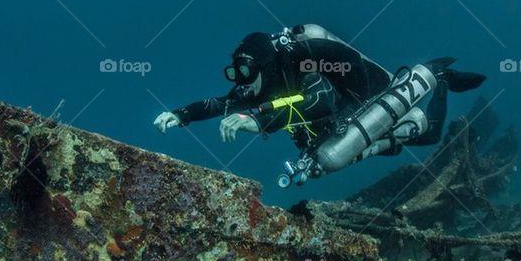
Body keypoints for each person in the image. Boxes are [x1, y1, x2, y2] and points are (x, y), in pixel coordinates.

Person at [153, 24, 485, 166]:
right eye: (235, 72)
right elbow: (222, 104)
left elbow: (321, 100)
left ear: (266, 66)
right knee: (392, 145)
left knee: (430, 134)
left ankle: (439, 77)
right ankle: (435, 84)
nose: (241, 81)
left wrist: (259, 122)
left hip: (369, 93)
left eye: (245, 71)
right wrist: (181, 115)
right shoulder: (259, 82)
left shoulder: (303, 62)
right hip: (341, 120)